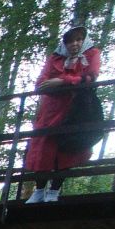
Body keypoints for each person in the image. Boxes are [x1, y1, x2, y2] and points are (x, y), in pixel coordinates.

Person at [23, 26, 102, 201]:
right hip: (50, 110)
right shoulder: (55, 58)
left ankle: (54, 191)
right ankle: (39, 190)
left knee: (66, 150)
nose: (74, 44)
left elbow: (90, 78)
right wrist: (58, 84)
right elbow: (42, 82)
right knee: (43, 148)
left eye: (78, 40)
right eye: (70, 41)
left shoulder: (91, 55)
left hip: (76, 109)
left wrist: (62, 81)